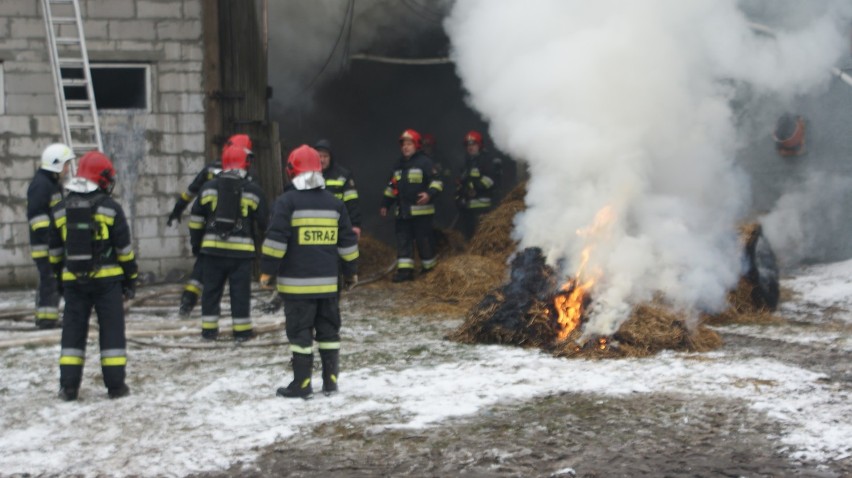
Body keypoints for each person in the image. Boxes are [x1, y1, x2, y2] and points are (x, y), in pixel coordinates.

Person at [260, 145, 358, 399]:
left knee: (300, 334)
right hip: (328, 287)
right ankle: (330, 382)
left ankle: (302, 384)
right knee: (329, 333)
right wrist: (350, 274)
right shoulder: (335, 204)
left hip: (297, 287)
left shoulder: (286, 202)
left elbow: (276, 240)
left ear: (291, 171)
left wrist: (267, 272)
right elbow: (347, 244)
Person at [49, 151, 138, 401]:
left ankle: (68, 388)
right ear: (102, 179)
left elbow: (54, 252)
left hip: (73, 282)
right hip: (107, 283)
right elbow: (124, 251)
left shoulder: (59, 209)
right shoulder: (110, 208)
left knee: (72, 333)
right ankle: (116, 387)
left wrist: (60, 279)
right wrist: (131, 279)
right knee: (111, 332)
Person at [189, 144, 268, 342]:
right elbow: (265, 222)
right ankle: (241, 333)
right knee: (240, 293)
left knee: (211, 293)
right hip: (241, 254)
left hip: (212, 251)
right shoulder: (253, 191)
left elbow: (196, 220)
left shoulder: (207, 188)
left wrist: (197, 245)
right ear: (245, 164)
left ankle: (208, 332)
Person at [168, 134, 253, 317]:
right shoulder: (245, 174)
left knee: (203, 265)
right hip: (236, 229)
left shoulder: (210, 169)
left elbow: (191, 191)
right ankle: (236, 315)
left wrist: (177, 210)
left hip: (210, 227)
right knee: (230, 276)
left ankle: (188, 301)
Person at [380, 129, 443, 282]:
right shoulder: (398, 165)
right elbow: (391, 187)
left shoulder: (425, 162)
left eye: (409, 144)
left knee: (424, 241)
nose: (405, 147)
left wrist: (429, 194)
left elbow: (438, 182)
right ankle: (405, 272)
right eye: (403, 144)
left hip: (421, 213)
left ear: (416, 145)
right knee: (403, 241)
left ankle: (429, 269)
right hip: (402, 213)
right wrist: (385, 205)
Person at [27, 143, 75, 329]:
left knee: (57, 280)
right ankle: (46, 319)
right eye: (65, 165)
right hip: (44, 246)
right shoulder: (41, 185)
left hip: (54, 245)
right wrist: (50, 236)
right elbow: (37, 216)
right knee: (49, 280)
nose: (67, 169)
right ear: (55, 164)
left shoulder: (52, 184)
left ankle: (53, 315)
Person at [455, 130, 501, 240]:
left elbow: (490, 180)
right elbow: (461, 181)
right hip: (467, 207)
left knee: (483, 237)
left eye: (473, 144)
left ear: (479, 145)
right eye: (468, 145)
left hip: (483, 206)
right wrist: (461, 194)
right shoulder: (466, 161)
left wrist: (475, 188)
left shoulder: (487, 160)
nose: (470, 147)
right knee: (469, 235)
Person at [314, 139, 362, 238]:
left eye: (325, 156)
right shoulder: (308, 175)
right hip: (314, 229)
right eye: (319, 156)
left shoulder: (343, 175)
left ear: (331, 157)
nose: (322, 160)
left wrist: (355, 225)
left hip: (338, 227)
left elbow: (352, 202)